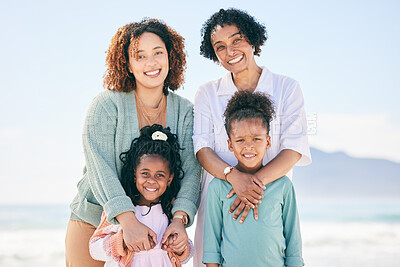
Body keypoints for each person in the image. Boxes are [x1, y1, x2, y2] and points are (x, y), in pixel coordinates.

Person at [65, 18, 201, 267]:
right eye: (140, 56)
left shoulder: (186, 111)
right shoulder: (106, 105)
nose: (151, 63)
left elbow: (192, 169)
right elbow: (100, 166)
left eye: (158, 52)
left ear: (170, 56)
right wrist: (127, 221)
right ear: (126, 63)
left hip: (156, 227)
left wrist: (180, 219)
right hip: (94, 220)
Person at [193, 8, 311, 266]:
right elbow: (202, 149)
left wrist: (251, 186)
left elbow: (294, 148)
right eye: (220, 46)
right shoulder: (207, 93)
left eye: (237, 40)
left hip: (270, 203)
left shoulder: (286, 87)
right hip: (222, 203)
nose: (230, 51)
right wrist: (233, 178)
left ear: (254, 39)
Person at [203, 90, 304, 267]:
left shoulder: (283, 185)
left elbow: (293, 240)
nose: (248, 146)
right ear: (230, 144)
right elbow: (212, 244)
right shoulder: (217, 187)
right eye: (240, 140)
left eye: (256, 138)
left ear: (268, 142)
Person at [90, 125, 194, 267]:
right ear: (134, 174)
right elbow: (94, 249)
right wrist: (121, 242)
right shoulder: (122, 209)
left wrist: (181, 247)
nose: (151, 180)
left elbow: (187, 255)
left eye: (160, 175)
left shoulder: (171, 209)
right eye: (145, 173)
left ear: (169, 179)